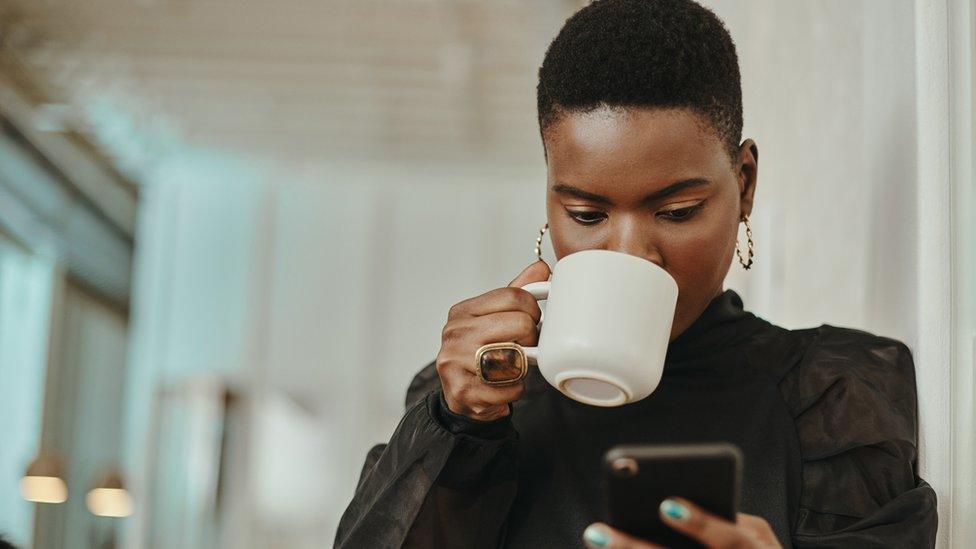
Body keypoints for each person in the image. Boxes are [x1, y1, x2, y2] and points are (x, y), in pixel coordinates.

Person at [333, 0, 939, 547]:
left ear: (745, 186)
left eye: (677, 211)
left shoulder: (837, 404)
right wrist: (460, 426)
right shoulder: (478, 405)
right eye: (586, 213)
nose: (629, 253)